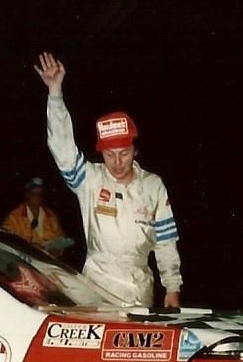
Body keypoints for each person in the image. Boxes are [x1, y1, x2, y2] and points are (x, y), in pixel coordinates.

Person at [34, 52, 182, 307]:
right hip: (96, 286)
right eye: (109, 155)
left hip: (140, 288)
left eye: (124, 153)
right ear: (101, 153)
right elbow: (63, 148)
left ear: (136, 150)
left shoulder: (153, 185)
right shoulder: (89, 179)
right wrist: (55, 93)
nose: (117, 162)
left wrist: (172, 287)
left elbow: (166, 240)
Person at [2, 177, 69, 256]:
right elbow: (5, 240)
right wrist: (29, 247)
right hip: (24, 259)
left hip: (48, 260)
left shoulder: (51, 216)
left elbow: (60, 240)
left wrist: (58, 250)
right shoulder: (14, 217)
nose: (38, 197)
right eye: (35, 194)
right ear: (27, 195)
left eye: (41, 194)